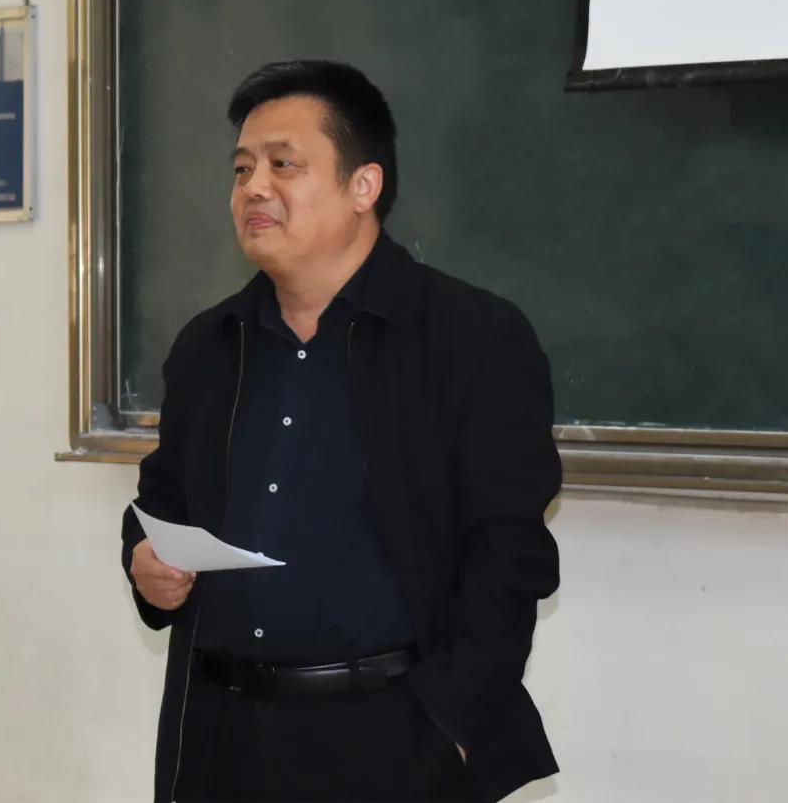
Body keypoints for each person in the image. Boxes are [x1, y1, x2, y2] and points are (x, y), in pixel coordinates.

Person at [121, 60, 561, 803]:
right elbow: (160, 501)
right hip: (222, 739)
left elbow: (509, 557)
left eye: (284, 164)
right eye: (242, 168)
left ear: (364, 185)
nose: (254, 188)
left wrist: (448, 730)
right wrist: (143, 559)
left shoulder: (471, 337)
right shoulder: (210, 345)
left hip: (389, 740)